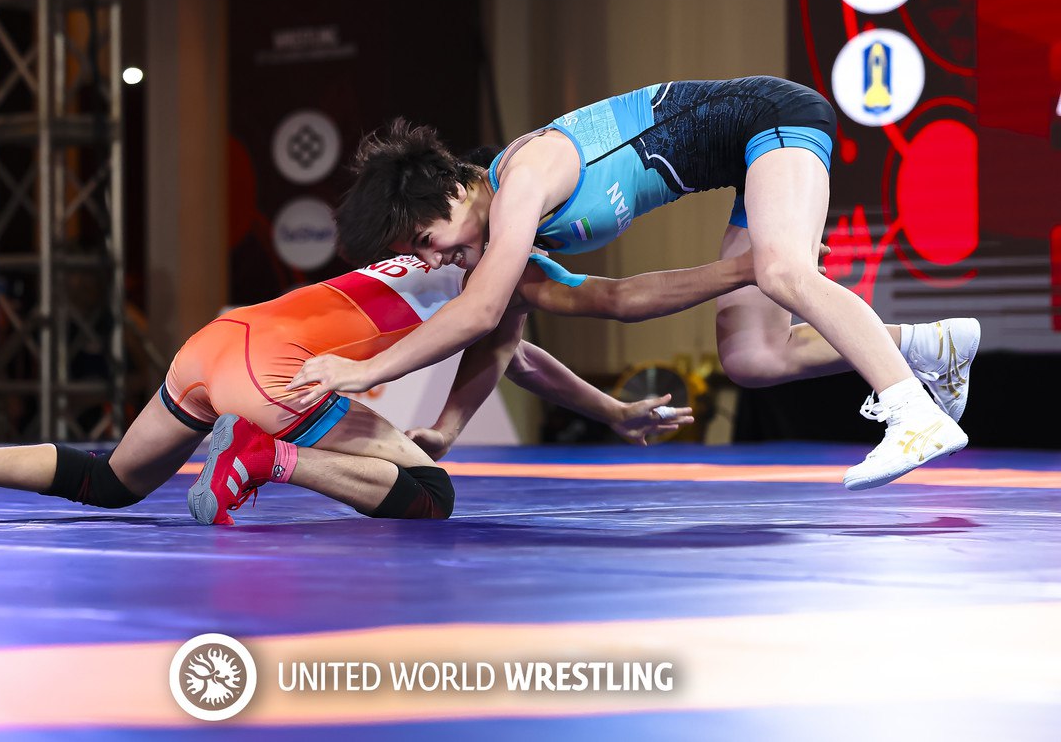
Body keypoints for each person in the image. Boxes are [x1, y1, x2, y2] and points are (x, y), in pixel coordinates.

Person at [287, 77, 979, 491]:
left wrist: (364, 370)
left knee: (782, 270)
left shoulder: (522, 180)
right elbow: (590, 309)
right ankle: (932, 347)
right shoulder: (504, 237)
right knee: (753, 356)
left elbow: (479, 312)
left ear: (450, 193)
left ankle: (912, 412)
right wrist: (447, 428)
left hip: (773, 115)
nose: (435, 259)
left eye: (425, 242)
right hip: (747, 159)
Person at [0, 247, 760, 527]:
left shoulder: (427, 256)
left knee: (114, 479)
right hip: (278, 377)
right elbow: (542, 330)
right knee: (430, 491)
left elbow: (512, 351)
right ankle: (269, 457)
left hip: (218, 341)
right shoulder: (502, 263)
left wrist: (610, 409)